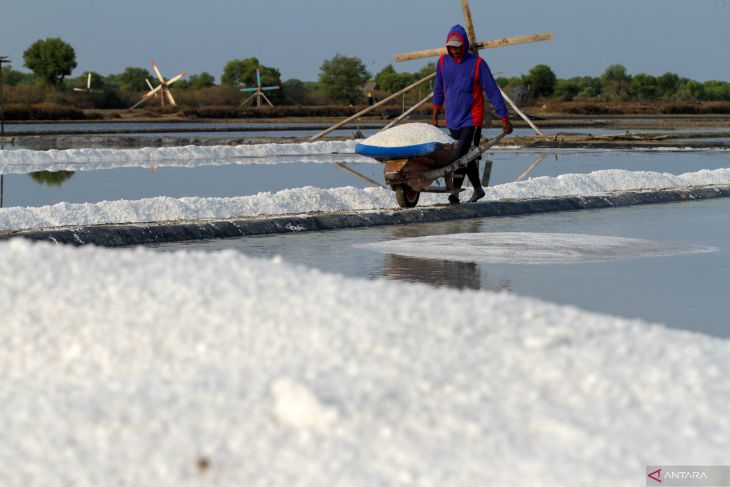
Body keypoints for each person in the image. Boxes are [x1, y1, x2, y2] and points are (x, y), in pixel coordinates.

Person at [432, 24, 513, 204]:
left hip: (472, 118)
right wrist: (435, 113)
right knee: (467, 155)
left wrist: (504, 117)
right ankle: (477, 189)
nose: (454, 50)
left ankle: (454, 192)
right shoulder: (443, 62)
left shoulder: (477, 64)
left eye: (457, 47)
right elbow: (439, 89)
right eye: (451, 47)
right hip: (452, 118)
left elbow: (492, 91)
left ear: (465, 45)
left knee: (462, 154)